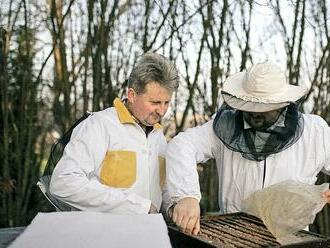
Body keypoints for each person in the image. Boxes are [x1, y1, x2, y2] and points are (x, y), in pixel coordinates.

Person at [165, 62, 330, 235]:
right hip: (232, 235)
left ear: (282, 103)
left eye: (264, 108)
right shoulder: (225, 126)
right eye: (250, 106)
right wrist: (186, 196)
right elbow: (182, 145)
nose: (255, 113)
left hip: (291, 238)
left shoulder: (315, 132)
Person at [50, 52, 179, 214]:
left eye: (166, 102)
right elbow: (63, 182)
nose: (161, 111)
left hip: (149, 233)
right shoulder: (99, 125)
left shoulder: (158, 136)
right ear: (132, 95)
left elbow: (160, 188)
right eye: (155, 102)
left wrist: (172, 207)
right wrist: (137, 207)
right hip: (103, 235)